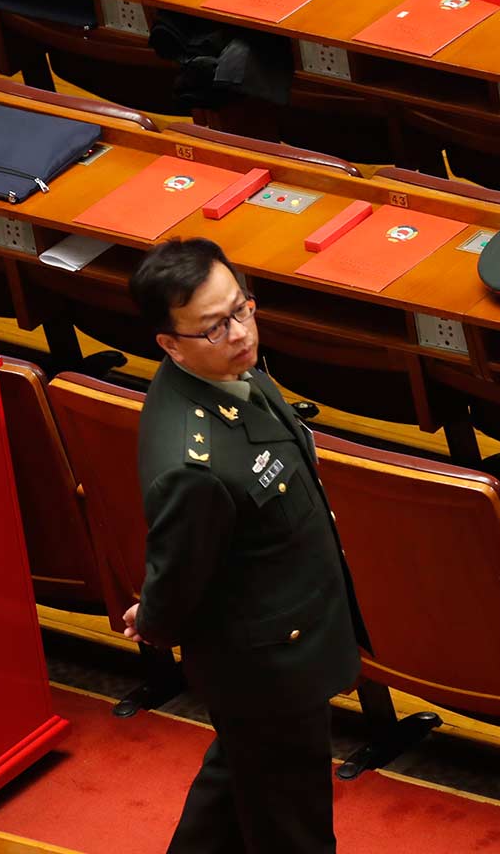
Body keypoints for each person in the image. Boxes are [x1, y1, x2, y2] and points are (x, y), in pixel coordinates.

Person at [123, 238, 367, 854]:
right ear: (169, 344)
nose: (238, 332)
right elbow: (178, 568)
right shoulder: (193, 462)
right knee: (293, 821)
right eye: (213, 327)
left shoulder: (227, 368)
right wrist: (155, 616)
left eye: (241, 309)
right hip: (264, 667)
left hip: (283, 630)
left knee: (240, 777)